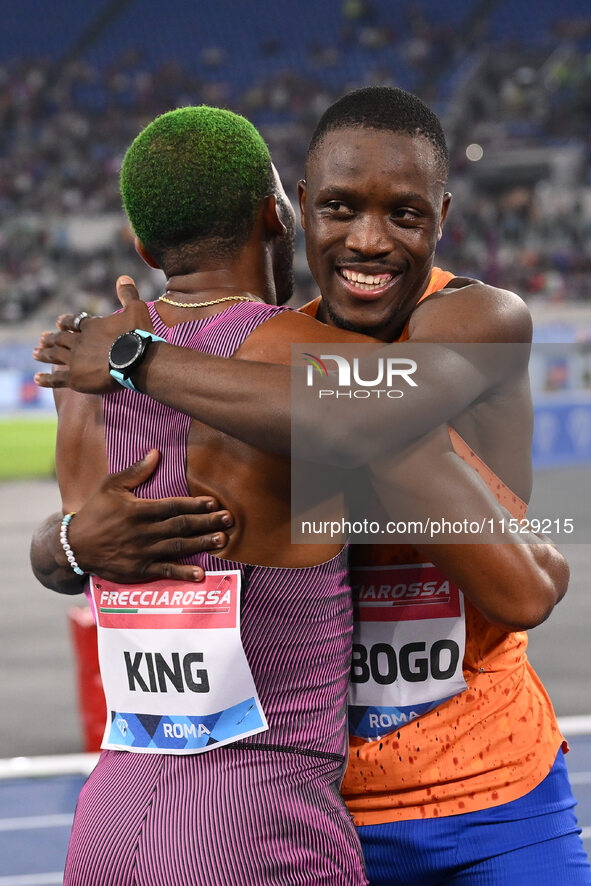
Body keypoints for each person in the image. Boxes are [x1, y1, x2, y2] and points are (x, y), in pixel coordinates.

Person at [32, 88, 589, 884]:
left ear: (441, 214)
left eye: (404, 215)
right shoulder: (262, 357)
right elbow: (110, 531)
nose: (369, 242)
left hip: (491, 791)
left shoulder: (472, 318)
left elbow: (520, 580)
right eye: (339, 208)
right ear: (291, 211)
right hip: (325, 810)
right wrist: (62, 545)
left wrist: (135, 357)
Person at [44, 103, 385, 886]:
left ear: (142, 245)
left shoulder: (81, 377)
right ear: (277, 212)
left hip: (107, 820)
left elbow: (70, 546)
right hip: (257, 820)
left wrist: (55, 543)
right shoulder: (308, 353)